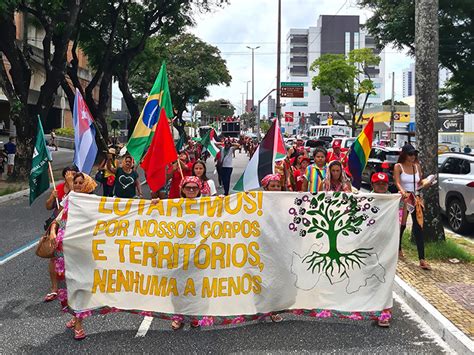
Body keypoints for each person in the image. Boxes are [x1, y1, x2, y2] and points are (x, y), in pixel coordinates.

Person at [49, 172, 97, 340]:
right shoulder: (69, 199)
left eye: (80, 182)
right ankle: (74, 315)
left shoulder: (93, 203)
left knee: (80, 285)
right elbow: (58, 217)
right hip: (64, 250)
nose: (77, 185)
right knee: (68, 286)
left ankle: (78, 323)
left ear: (87, 185)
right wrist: (54, 231)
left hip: (82, 251)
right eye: (75, 182)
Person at [393, 144, 430, 270]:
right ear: (404, 154)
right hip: (404, 198)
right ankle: (397, 248)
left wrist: (426, 182)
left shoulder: (417, 166)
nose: (412, 156)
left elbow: (420, 182)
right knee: (401, 225)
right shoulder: (398, 166)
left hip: (416, 198)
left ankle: (422, 259)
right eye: (410, 154)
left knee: (418, 226)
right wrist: (402, 191)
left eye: (414, 154)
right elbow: (397, 182)